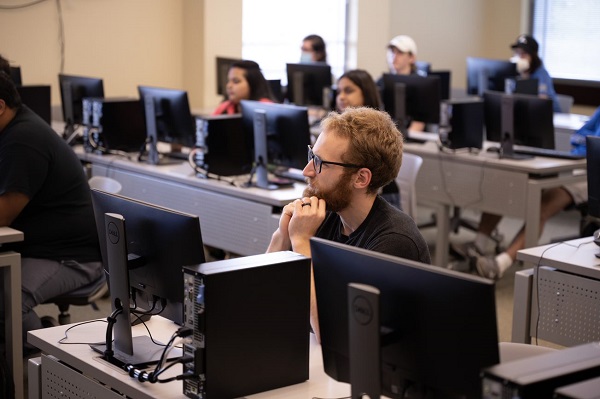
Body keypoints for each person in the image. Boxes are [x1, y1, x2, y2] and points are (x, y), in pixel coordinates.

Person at [266, 107, 431, 339]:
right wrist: (282, 236)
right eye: (312, 155)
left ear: (361, 178)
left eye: (320, 163)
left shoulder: (394, 242)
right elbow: (263, 297)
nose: (307, 171)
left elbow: (337, 337)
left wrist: (301, 242)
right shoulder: (325, 214)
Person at [0, 66, 103, 358]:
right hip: (41, 246)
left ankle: (49, 363)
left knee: (8, 299)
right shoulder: (12, 127)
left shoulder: (23, 139)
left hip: (72, 256)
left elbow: (3, 215)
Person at [464, 106, 600, 280]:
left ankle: (500, 264)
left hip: (592, 174)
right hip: (576, 163)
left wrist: (585, 146)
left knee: (542, 205)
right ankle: (478, 246)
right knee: (508, 185)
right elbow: (580, 136)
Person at [335, 69, 401, 210]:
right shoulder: (341, 129)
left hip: (380, 199)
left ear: (366, 93)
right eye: (338, 91)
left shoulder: (377, 131)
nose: (341, 97)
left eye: (348, 91)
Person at [377, 35, 426, 132]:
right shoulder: (382, 81)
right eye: (392, 52)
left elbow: (419, 122)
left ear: (411, 58)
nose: (394, 57)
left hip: (412, 139)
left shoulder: (421, 83)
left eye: (400, 53)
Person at [509, 34, 561, 112]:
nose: (519, 57)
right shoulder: (515, 73)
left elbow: (541, 101)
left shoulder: (541, 74)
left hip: (551, 117)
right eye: (517, 52)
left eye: (523, 53)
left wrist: (524, 78)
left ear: (533, 56)